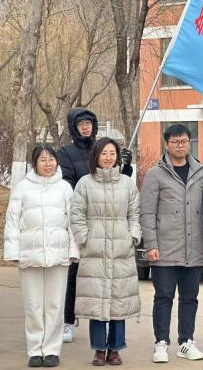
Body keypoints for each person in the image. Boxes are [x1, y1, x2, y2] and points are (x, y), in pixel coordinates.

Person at [57, 108, 133, 343]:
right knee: (76, 274)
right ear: (73, 127)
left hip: (111, 221)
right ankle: (69, 321)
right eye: (81, 124)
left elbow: (120, 181)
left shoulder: (102, 148)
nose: (85, 127)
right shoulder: (66, 152)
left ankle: (110, 327)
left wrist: (126, 166)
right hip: (84, 217)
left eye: (89, 122)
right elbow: (67, 183)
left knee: (110, 279)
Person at [140, 124, 203, 363]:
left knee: (190, 298)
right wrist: (151, 244)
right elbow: (147, 213)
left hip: (194, 248)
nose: (180, 145)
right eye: (175, 142)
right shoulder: (155, 174)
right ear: (166, 144)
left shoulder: (199, 173)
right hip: (165, 248)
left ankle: (186, 342)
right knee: (163, 297)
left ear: (189, 143)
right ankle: (161, 343)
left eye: (184, 141)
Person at [3, 145, 79, 368]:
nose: (48, 164)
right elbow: (12, 222)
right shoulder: (22, 188)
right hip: (30, 254)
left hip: (59, 254)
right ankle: (35, 349)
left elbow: (74, 223)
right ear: (34, 163)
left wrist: (74, 250)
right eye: (43, 160)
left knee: (55, 304)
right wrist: (13, 252)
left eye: (51, 159)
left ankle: (52, 350)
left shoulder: (65, 188)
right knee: (33, 305)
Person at [69, 137, 141, 366]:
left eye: (112, 154)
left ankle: (116, 348)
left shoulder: (127, 183)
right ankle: (100, 349)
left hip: (121, 248)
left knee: (118, 300)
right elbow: (77, 215)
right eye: (104, 153)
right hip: (95, 249)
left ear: (117, 157)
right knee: (97, 300)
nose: (109, 158)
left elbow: (134, 214)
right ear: (96, 156)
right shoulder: (84, 183)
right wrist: (85, 240)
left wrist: (133, 237)